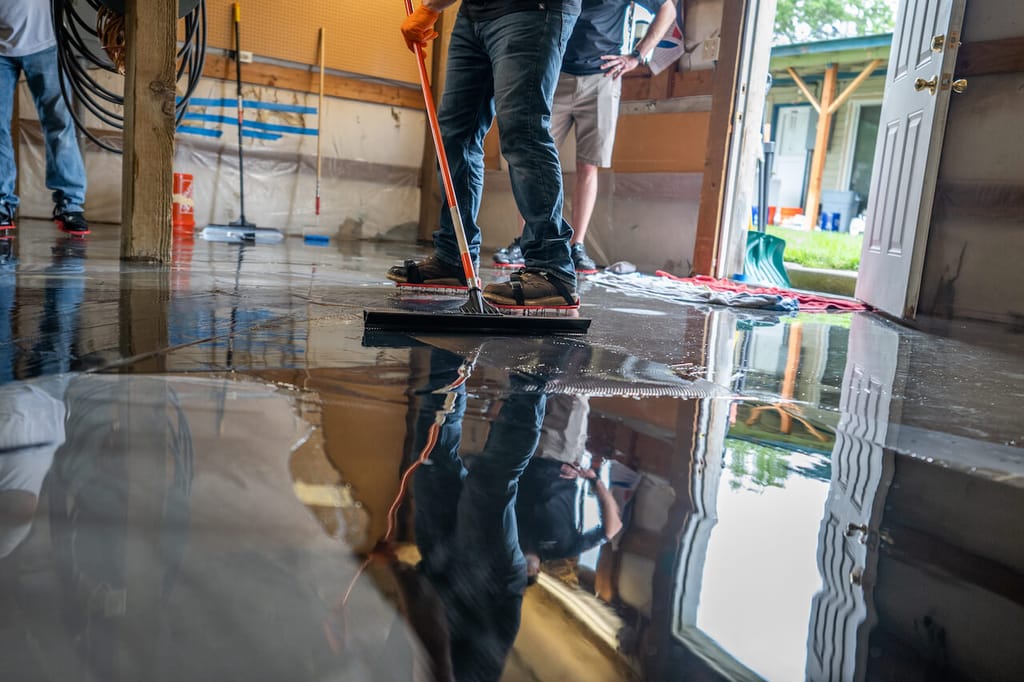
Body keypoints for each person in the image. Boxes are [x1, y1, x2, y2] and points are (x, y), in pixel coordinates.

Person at [388, 0, 581, 308]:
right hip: (474, 15)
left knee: (523, 129)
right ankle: (454, 257)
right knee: (454, 135)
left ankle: (552, 269)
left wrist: (431, 8)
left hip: (533, 10)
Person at [493, 0, 678, 273]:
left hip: (602, 78)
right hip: (553, 72)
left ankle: (576, 247)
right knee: (532, 161)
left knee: (588, 165)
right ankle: (526, 242)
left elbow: (668, 9)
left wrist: (637, 56)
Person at [0, 0, 89, 235]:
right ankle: (1, 203)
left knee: (59, 124)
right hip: (1, 49)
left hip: (45, 44)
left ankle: (70, 204)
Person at [515, 395, 623, 579]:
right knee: (572, 397)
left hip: (524, 454)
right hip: (559, 454)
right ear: (536, 571)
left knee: (534, 388)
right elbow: (612, 529)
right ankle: (580, 366)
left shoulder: (509, 538)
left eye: (515, 570)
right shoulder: (563, 548)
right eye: (525, 572)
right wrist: (595, 481)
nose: (521, 567)